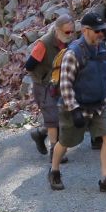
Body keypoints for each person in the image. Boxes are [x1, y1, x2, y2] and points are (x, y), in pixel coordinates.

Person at [51, 10, 106, 192]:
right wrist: (74, 109)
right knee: (66, 143)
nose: (101, 33)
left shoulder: (102, 48)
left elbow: (102, 75)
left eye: (102, 30)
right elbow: (65, 84)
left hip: (98, 106)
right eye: (97, 30)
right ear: (85, 30)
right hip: (76, 107)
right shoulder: (73, 53)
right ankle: (54, 171)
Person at [24, 12, 75, 160]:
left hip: (60, 83)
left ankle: (39, 134)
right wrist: (45, 76)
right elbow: (29, 66)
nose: (70, 34)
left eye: (72, 31)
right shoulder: (44, 44)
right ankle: (55, 151)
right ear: (57, 30)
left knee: (62, 116)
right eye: (67, 32)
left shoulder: (68, 41)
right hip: (43, 85)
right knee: (52, 117)